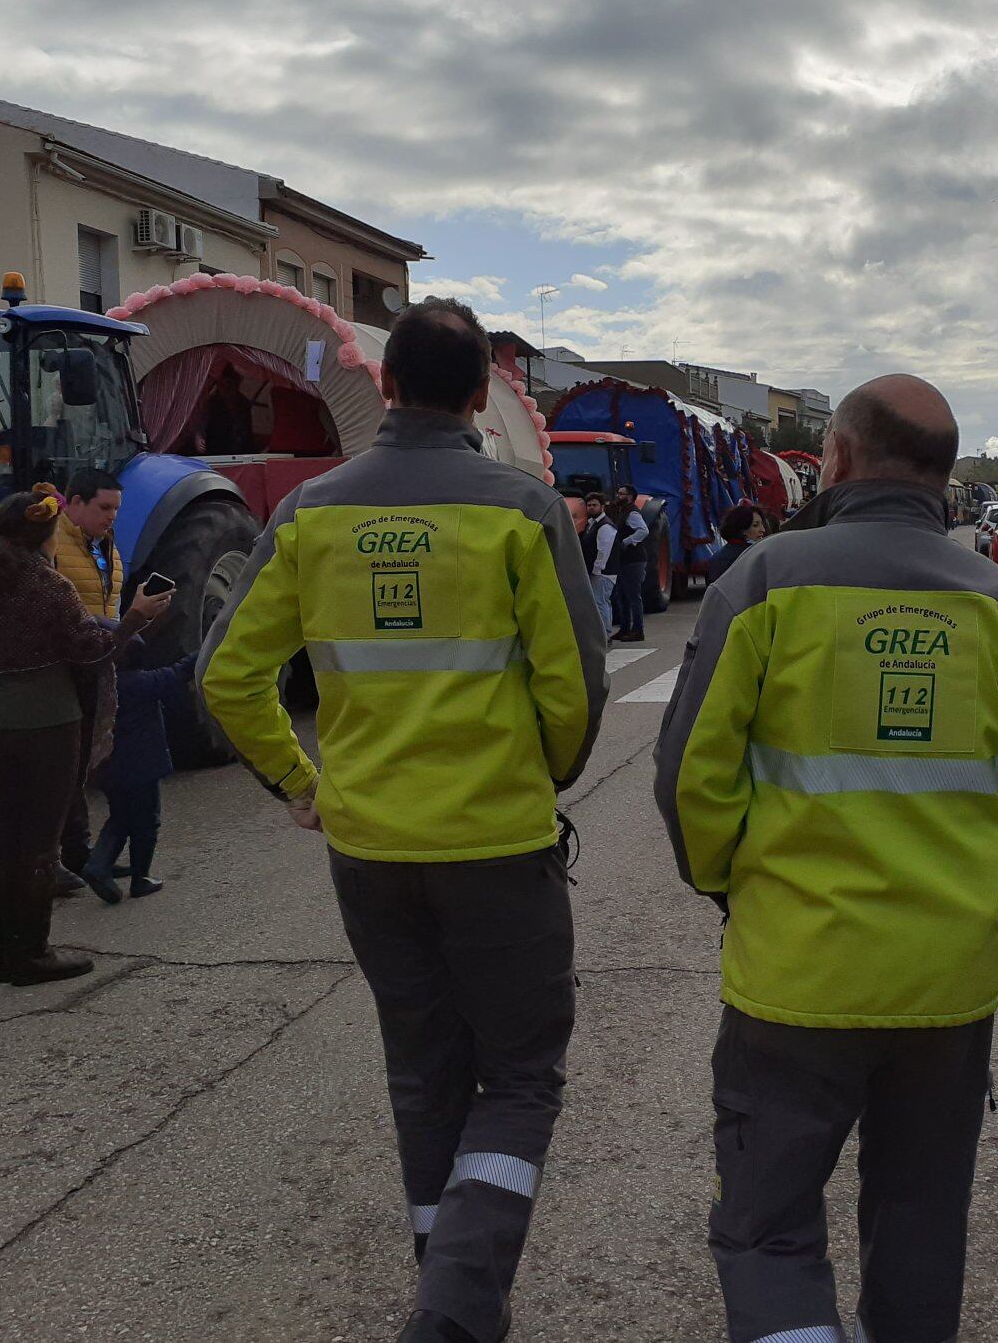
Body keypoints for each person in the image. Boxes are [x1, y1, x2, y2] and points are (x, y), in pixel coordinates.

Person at [201, 298, 606, 1343]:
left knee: (423, 1071)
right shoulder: (522, 512)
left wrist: (302, 783)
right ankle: (459, 1310)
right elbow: (574, 693)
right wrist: (536, 779)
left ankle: (446, 1279)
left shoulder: (311, 512)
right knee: (518, 1075)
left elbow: (229, 675)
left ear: (383, 388)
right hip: (498, 847)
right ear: (480, 396)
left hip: (370, 850)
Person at [657, 374, 998, 1343]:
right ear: (943, 478)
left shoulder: (763, 583)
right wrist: (958, 878)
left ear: (838, 460)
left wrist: (739, 884)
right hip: (946, 986)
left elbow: (692, 781)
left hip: (792, 978)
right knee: (921, 1234)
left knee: (766, 1235)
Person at [0, 485, 170, 987]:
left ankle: (8, 953)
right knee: (38, 840)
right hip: (45, 721)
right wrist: (137, 616)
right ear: (45, 534)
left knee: (6, 837)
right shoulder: (48, 586)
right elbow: (92, 651)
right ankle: (31, 955)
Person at [47, 467, 125, 891]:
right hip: (60, 670)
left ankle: (79, 852)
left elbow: (109, 605)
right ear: (74, 503)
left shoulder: (106, 548)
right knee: (62, 766)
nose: (111, 516)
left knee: (78, 765)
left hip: (94, 666)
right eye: (104, 507)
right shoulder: (52, 544)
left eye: (115, 508)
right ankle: (56, 857)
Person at [82, 647, 196, 903]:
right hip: (142, 769)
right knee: (146, 823)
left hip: (108, 768)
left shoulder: (96, 687)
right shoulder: (141, 683)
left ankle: (98, 865)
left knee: (119, 820)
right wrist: (212, 642)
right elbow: (179, 672)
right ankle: (140, 878)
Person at [612, 484, 650, 643]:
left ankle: (638, 630)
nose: (618, 496)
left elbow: (643, 530)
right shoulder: (621, 511)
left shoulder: (632, 512)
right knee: (622, 595)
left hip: (634, 560)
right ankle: (625, 628)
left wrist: (627, 542)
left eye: (622, 494)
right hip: (624, 560)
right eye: (618, 493)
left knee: (633, 596)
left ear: (630, 496)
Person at [580, 490, 619, 637]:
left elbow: (604, 550)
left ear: (602, 506)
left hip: (603, 573)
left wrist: (597, 569)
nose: (591, 508)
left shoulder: (605, 526)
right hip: (595, 571)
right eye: (589, 505)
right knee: (599, 602)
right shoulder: (591, 524)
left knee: (600, 602)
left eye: (594, 505)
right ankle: (602, 632)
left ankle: (605, 633)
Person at [704, 501, 766, 584]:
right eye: (755, 525)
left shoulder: (716, 557)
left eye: (762, 524)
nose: (763, 530)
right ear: (743, 528)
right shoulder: (751, 556)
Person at [202, 365, 256, 455]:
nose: (226, 389)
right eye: (222, 385)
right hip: (216, 453)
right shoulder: (212, 403)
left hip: (241, 454)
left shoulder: (243, 403)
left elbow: (247, 434)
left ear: (237, 384)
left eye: (230, 384)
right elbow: (204, 426)